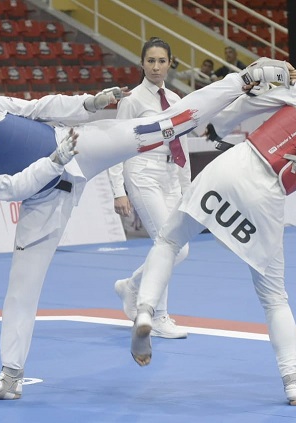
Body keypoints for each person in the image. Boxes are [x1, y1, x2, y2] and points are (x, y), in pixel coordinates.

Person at [0, 57, 288, 400]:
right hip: (44, 200)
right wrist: (53, 161)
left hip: (78, 144)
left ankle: (247, 78)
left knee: (169, 125)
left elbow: (36, 107)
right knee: (20, 290)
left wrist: (89, 104)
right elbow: (11, 188)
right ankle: (10, 377)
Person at [129, 46, 296, 406]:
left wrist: (217, 125)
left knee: (169, 241)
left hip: (238, 165)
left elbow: (248, 102)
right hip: (269, 198)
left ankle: (144, 311)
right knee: (275, 299)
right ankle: (293, 383)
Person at [109, 37, 190, 339]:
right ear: (141, 63)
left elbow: (182, 146)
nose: (156, 66)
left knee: (179, 248)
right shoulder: (131, 101)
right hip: (142, 171)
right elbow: (116, 147)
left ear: (170, 63)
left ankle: (131, 286)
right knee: (167, 244)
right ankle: (157, 315)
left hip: (171, 175)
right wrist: (118, 190)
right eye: (150, 61)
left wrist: (187, 188)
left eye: (161, 61)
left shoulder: (178, 100)